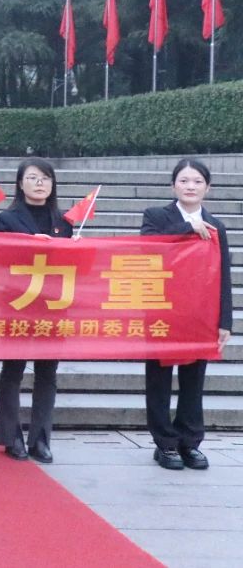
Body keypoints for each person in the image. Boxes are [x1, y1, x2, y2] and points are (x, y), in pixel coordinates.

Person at [141, 158, 233, 471]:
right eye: (184, 181)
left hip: (200, 315)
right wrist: (186, 228)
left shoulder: (216, 226)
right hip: (162, 312)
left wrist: (224, 320)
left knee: (194, 382)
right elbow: (147, 247)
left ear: (208, 188)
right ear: (173, 186)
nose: (190, 186)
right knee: (159, 381)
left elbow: (223, 275)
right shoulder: (156, 216)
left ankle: (189, 442)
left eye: (197, 181)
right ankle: (165, 444)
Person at [0, 157, 72, 463]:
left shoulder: (65, 222)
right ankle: (11, 436)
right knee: (13, 371)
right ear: (20, 183)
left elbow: (78, 267)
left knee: (47, 374)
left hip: (53, 305)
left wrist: (78, 247)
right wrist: (29, 245)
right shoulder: (7, 219)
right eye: (33, 178)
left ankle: (41, 439)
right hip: (19, 304)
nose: (40, 183)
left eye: (45, 178)